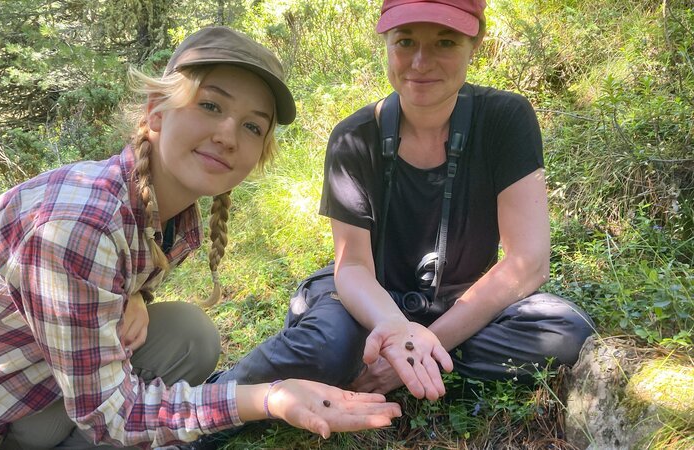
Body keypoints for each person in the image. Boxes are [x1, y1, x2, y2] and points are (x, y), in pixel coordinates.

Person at [0, 26, 402, 450]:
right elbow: (113, 416)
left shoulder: (166, 214)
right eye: (209, 105)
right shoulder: (79, 226)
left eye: (252, 126)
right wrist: (269, 397)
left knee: (187, 332)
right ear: (156, 114)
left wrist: (136, 293)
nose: (228, 134)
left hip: (18, 389)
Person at [213, 0, 595, 402]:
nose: (420, 62)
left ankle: (385, 367)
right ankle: (202, 407)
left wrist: (419, 346)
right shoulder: (354, 138)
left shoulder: (505, 118)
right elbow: (355, 266)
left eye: (445, 42)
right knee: (329, 344)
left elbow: (528, 262)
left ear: (475, 42)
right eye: (406, 41)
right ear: (386, 43)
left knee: (565, 332)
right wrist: (397, 333)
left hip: (459, 302)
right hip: (367, 302)